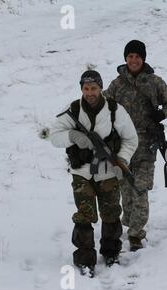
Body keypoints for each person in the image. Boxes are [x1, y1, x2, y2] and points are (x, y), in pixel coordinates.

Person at [50, 70, 138, 276]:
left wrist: (122, 160)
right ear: (82, 89)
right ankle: (85, 259)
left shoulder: (115, 110)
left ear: (100, 88)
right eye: (86, 88)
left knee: (111, 213)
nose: (90, 92)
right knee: (84, 215)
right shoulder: (73, 110)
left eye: (94, 88)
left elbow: (131, 139)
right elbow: (54, 136)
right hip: (82, 173)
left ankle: (111, 253)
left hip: (107, 172)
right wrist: (72, 136)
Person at [104, 40, 167, 251]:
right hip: (122, 146)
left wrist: (162, 113)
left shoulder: (155, 82)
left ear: (143, 58)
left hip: (147, 144)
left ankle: (136, 235)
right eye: (130, 56)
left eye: (137, 56)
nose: (134, 60)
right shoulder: (117, 84)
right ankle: (129, 222)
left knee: (141, 188)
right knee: (126, 190)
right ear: (125, 58)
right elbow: (102, 107)